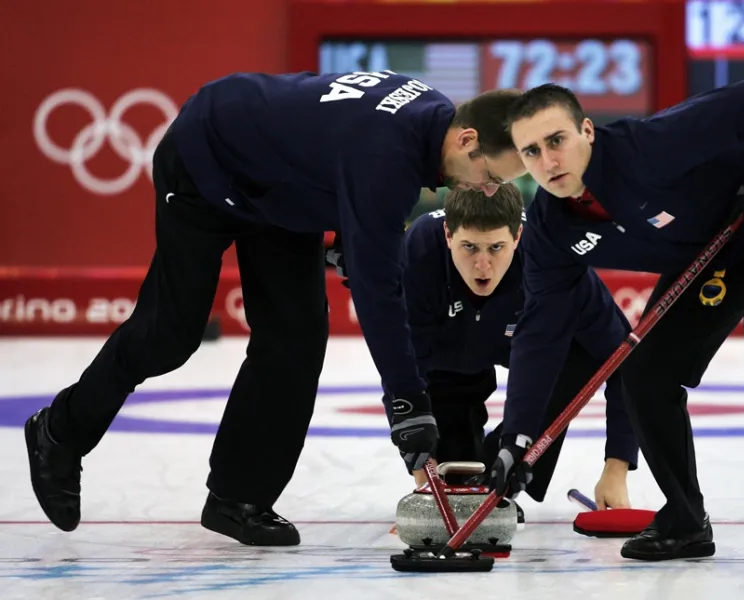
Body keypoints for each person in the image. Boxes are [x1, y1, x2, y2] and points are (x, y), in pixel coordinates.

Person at [24, 70, 527, 546]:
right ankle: (59, 432)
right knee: (168, 334)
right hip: (207, 160)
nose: (488, 190)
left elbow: (335, 157)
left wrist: (348, 237)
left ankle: (237, 496)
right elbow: (379, 295)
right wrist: (408, 409)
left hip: (278, 192)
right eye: (489, 175)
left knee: (297, 337)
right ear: (466, 140)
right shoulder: (387, 160)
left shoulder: (433, 119)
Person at [491, 79, 744, 574]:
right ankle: (685, 519)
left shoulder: (647, 147)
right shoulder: (552, 230)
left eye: (557, 140)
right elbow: (539, 335)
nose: (548, 160)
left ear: (587, 131)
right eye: (530, 151)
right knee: (646, 370)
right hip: (723, 241)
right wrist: (518, 439)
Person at [382, 184, 640, 516]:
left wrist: (615, 470)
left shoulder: (551, 257)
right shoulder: (417, 251)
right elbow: (402, 364)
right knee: (457, 483)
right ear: (448, 234)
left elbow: (623, 360)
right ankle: (464, 467)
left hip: (539, 352)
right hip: (448, 354)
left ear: (518, 236)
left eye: (496, 247)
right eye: (469, 247)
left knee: (582, 357)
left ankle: (509, 466)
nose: (482, 266)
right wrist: (423, 475)